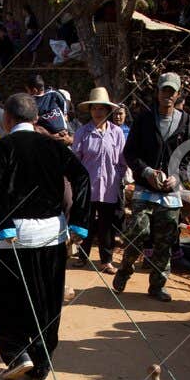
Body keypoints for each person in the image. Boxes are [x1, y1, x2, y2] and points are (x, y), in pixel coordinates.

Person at [0, 93, 92, 380]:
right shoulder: (54, 147)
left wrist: (4, 222)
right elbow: (81, 177)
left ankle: (18, 354)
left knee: (6, 300)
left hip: (13, 237)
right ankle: (41, 367)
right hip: (52, 235)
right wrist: (79, 221)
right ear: (35, 119)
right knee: (46, 301)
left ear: (6, 119)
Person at [116, 72, 190, 302]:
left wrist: (178, 177)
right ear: (158, 92)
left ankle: (157, 285)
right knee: (139, 231)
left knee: (165, 239)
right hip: (145, 188)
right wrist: (146, 171)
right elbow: (130, 153)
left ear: (178, 94)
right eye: (164, 90)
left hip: (170, 194)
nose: (168, 96)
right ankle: (126, 268)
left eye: (172, 92)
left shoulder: (186, 122)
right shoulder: (144, 119)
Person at [70, 87, 127, 271]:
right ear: (90, 110)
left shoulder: (117, 133)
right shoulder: (82, 133)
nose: (97, 112)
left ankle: (106, 260)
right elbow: (75, 159)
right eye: (94, 109)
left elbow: (122, 160)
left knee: (106, 225)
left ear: (108, 111)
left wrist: (119, 179)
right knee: (85, 223)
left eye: (101, 109)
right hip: (87, 187)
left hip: (110, 186)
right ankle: (82, 256)